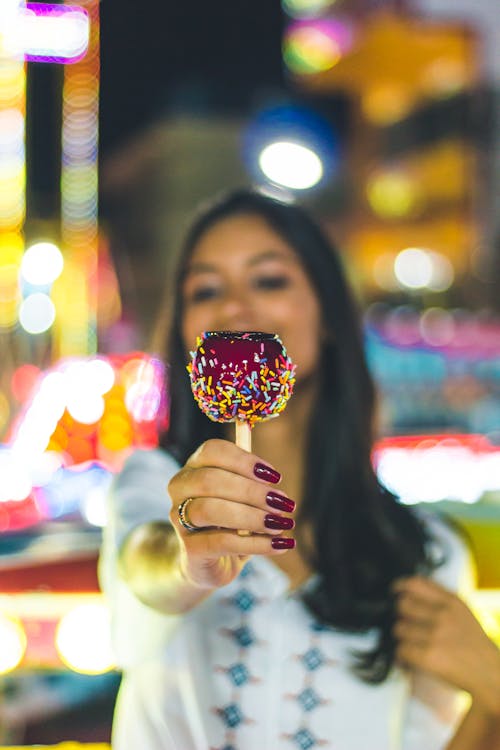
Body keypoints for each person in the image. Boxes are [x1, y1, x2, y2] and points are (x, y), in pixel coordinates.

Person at [99, 188, 500, 750]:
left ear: (329, 315)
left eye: (269, 280)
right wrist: (191, 558)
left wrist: (494, 690)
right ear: (187, 335)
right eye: (206, 289)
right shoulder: (152, 482)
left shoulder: (424, 554)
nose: (236, 307)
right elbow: (143, 570)